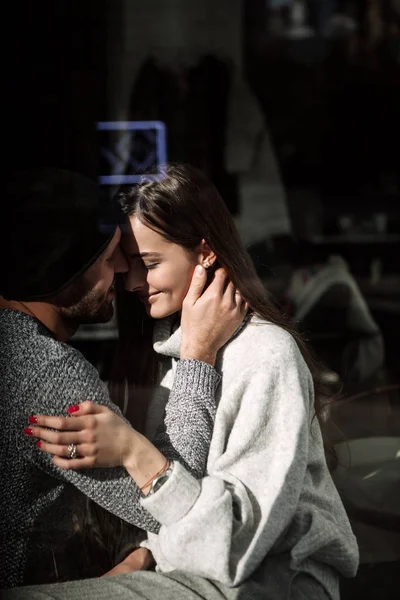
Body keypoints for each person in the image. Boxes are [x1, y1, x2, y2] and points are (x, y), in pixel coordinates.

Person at [21, 164, 360, 600]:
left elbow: (236, 547)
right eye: (127, 266)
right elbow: (183, 503)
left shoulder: (266, 354)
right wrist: (141, 555)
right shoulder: (164, 349)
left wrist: (132, 450)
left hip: (273, 582)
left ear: (204, 253)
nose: (133, 283)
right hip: (188, 570)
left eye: (149, 264)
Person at [0, 168, 246, 589]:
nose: (122, 271)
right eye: (109, 254)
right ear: (64, 262)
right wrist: (198, 357)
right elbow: (170, 500)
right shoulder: (45, 373)